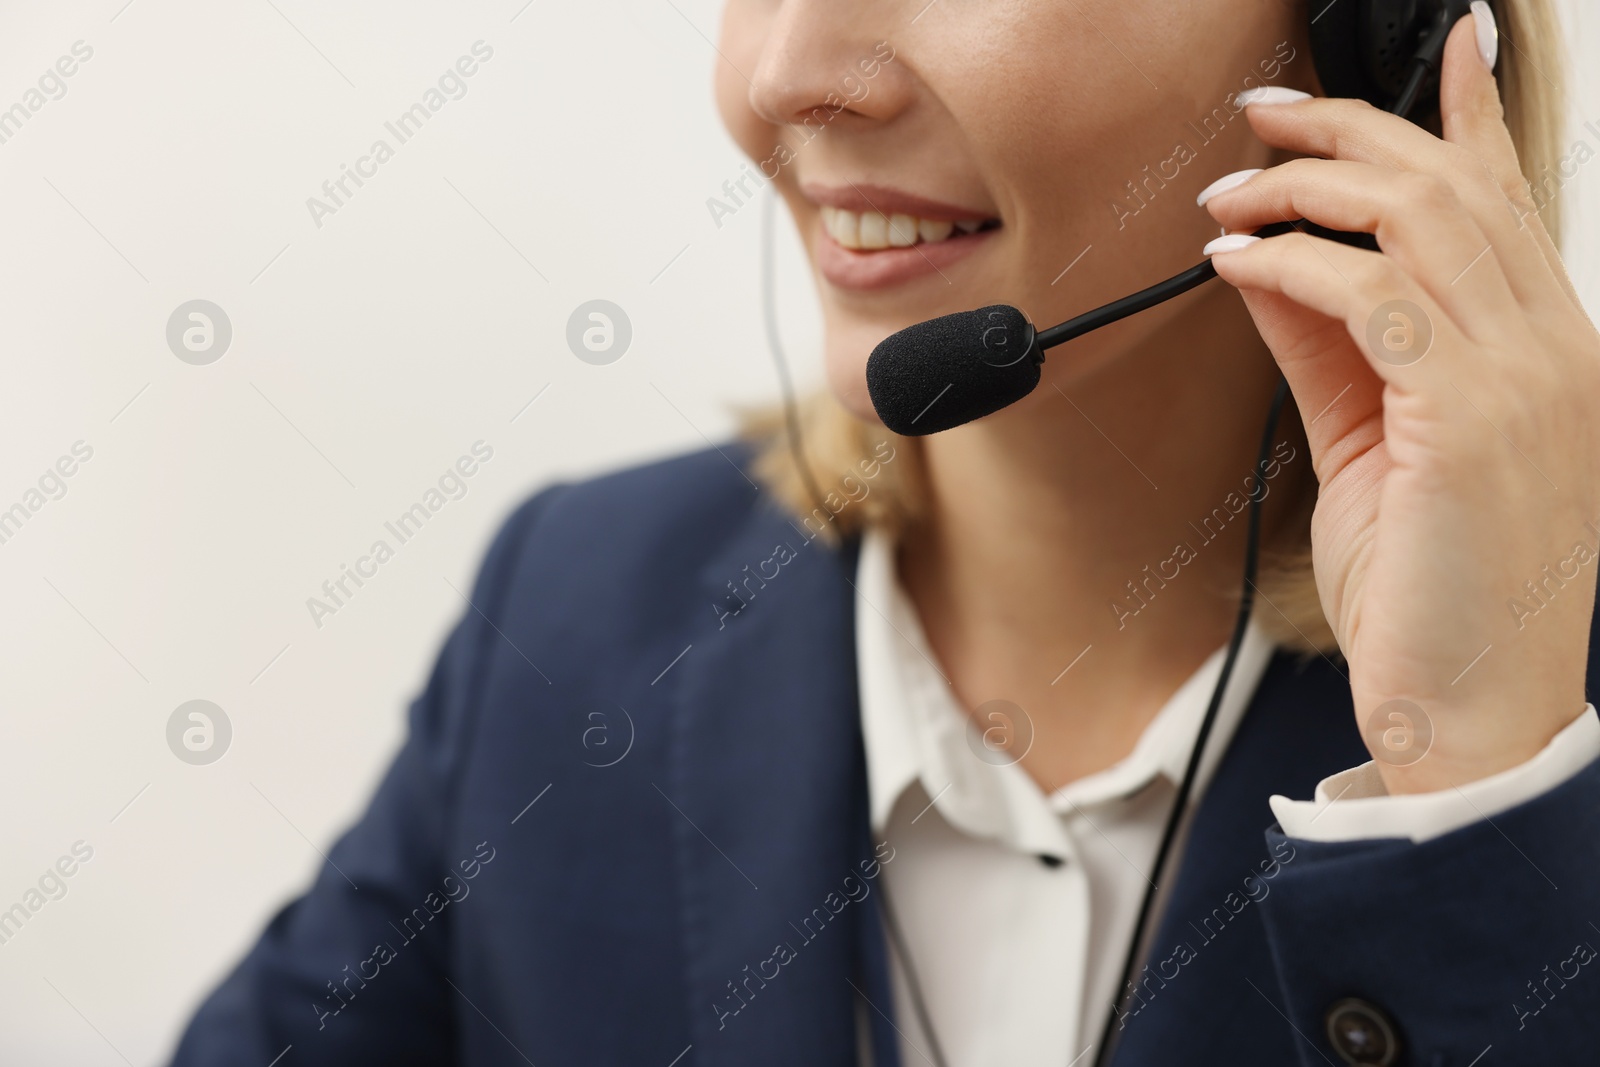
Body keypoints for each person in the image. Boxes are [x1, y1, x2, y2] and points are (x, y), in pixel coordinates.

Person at [171, 1, 1600, 1064]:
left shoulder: (1542, 738)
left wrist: (1470, 792)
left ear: (1370, 44)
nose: (789, 76)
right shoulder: (576, 615)